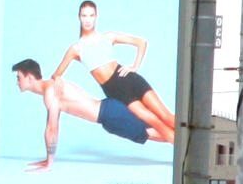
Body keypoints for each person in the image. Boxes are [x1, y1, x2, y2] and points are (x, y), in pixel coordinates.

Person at [45, 0, 176, 140]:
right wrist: (58, 78)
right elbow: (56, 74)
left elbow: (141, 42)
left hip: (130, 79)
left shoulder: (108, 36)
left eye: (91, 15)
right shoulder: (76, 49)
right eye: (84, 15)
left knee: (165, 116)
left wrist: (134, 66)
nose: (88, 19)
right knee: (152, 121)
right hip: (116, 91)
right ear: (79, 17)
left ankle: (197, 138)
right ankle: (185, 150)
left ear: (96, 16)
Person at [14, 57, 155, 170]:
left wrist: (49, 161)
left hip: (110, 115)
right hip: (109, 111)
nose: (17, 82)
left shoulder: (50, 92)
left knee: (156, 133)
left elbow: (52, 129)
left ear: (30, 78)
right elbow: (51, 127)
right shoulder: (51, 87)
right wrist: (49, 158)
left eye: (19, 77)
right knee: (159, 128)